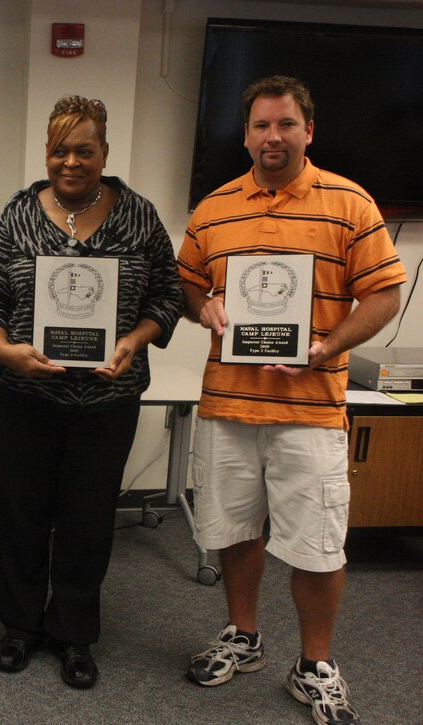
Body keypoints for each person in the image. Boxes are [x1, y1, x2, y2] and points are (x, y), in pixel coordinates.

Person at [178, 75, 405, 725]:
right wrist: (206, 305)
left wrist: (326, 344)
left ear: (309, 129)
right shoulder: (215, 206)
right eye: (259, 125)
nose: (271, 136)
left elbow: (385, 294)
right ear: (245, 133)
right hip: (228, 403)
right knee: (234, 530)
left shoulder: (349, 203)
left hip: (310, 409)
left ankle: (315, 665)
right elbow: (188, 282)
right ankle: (243, 637)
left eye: (284, 124)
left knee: (317, 545)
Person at [0, 96, 183, 688]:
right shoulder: (16, 216)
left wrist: (136, 339)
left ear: (104, 153)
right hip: (26, 394)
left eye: (84, 150)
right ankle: (20, 626)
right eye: (60, 149)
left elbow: (169, 295)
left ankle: (73, 633)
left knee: (89, 520)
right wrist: (3, 349)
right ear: (46, 153)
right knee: (21, 513)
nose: (71, 161)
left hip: (107, 400)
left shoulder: (138, 215)